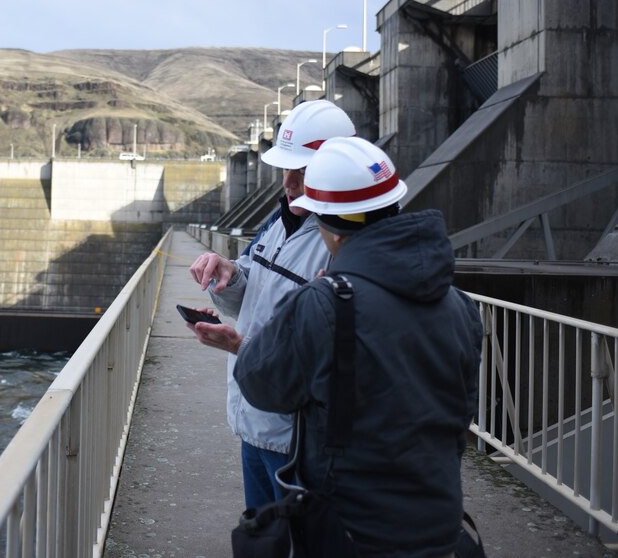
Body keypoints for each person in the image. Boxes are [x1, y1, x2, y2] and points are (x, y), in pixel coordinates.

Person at [232, 136, 484, 555]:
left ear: (329, 225)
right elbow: (458, 413)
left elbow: (258, 382)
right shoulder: (460, 306)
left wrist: (297, 306)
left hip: (350, 531)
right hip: (438, 526)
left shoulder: (324, 305)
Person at [187, 99, 356, 511]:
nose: (289, 184)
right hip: (254, 420)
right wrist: (228, 274)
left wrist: (240, 347)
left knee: (301, 539)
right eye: (287, 170)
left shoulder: (344, 244)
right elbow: (251, 295)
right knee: (262, 539)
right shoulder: (279, 224)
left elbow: (332, 357)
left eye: (302, 173)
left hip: (297, 437)